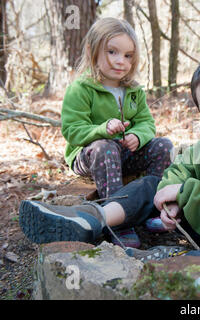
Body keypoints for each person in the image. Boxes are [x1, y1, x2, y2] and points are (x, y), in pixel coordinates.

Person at [19, 54, 200, 264]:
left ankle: (172, 263)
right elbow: (180, 168)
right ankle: (92, 218)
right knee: (153, 183)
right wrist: (173, 198)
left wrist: (186, 193)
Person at [60, 18, 172, 248]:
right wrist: (102, 129)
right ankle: (119, 222)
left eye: (128, 55)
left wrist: (139, 136)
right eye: (112, 52)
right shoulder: (81, 89)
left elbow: (146, 123)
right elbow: (72, 130)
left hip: (125, 154)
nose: (121, 61)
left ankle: (154, 209)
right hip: (89, 156)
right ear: (93, 50)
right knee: (105, 146)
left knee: (164, 145)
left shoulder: (133, 90)